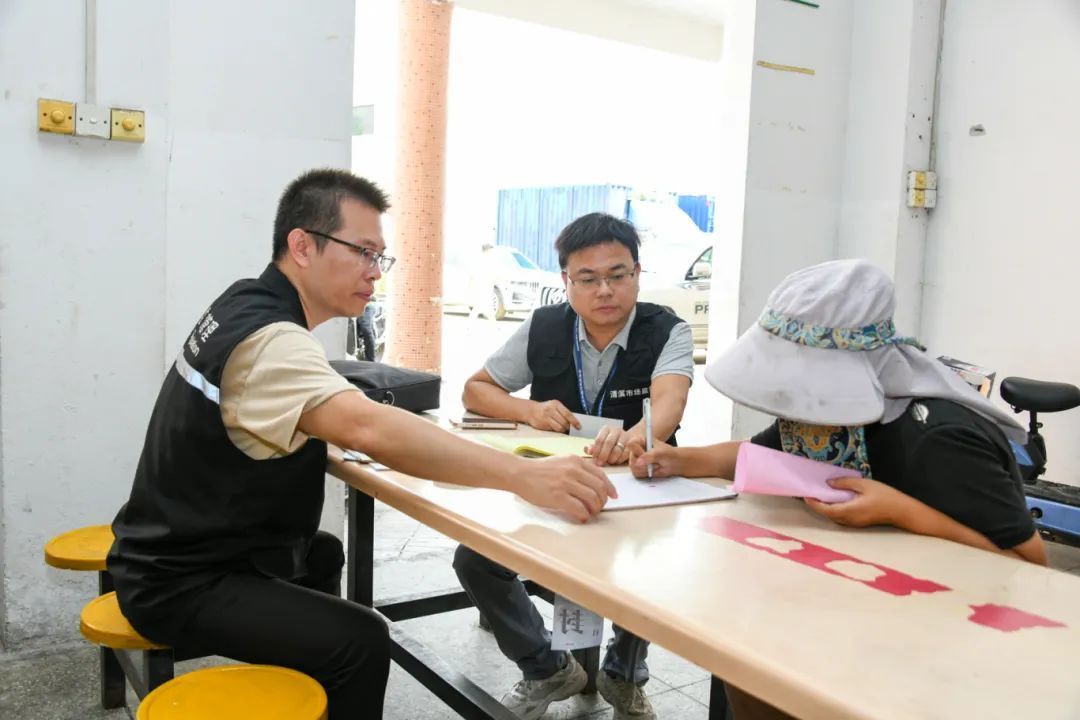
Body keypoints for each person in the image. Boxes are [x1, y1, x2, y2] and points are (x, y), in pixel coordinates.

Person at [107, 169, 616, 719]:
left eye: (380, 257)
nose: (376, 272)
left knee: (321, 554)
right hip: (177, 581)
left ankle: (308, 695)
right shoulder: (272, 340)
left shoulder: (245, 302)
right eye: (364, 252)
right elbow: (369, 428)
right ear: (302, 245)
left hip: (168, 546)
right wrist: (523, 475)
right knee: (363, 638)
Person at [626, 258, 1047, 719]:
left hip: (940, 638)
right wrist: (681, 459)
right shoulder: (822, 410)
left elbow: (1027, 567)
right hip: (850, 600)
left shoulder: (941, 437)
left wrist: (901, 511)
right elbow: (763, 452)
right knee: (743, 659)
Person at [455, 212, 695, 720]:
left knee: (653, 563)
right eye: (588, 279)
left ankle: (623, 673)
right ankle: (546, 666)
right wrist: (529, 410)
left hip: (638, 490)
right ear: (566, 281)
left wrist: (633, 438)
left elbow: (669, 405)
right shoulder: (545, 326)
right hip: (552, 487)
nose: (604, 290)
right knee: (474, 559)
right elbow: (475, 390)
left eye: (618, 274)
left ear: (637, 274)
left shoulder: (667, 330)